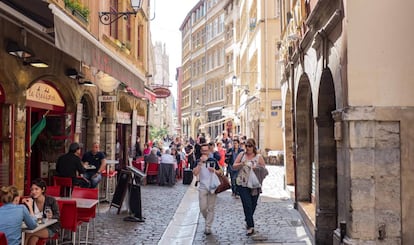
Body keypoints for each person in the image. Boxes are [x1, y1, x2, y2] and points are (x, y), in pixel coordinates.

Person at [232, 138, 267, 236]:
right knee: (247, 203)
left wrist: (256, 168)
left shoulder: (258, 157)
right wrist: (242, 164)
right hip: (242, 183)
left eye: (250, 146)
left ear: (253, 147)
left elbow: (264, 169)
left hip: (255, 184)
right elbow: (234, 166)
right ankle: (250, 226)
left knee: (253, 204)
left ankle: (248, 218)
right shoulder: (241, 155)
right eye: (246, 145)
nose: (248, 148)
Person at [192, 143, 222, 235]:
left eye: (206, 151)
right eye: (203, 151)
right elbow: (194, 173)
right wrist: (200, 164)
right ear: (201, 151)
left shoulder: (213, 160)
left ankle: (208, 226)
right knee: (203, 208)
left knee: (211, 207)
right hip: (202, 187)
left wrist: (215, 171)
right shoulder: (198, 161)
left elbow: (220, 172)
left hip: (212, 186)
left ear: (209, 151)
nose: (204, 152)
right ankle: (207, 219)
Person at [24, 178, 60, 245]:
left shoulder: (51, 200)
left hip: (50, 228)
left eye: (36, 189)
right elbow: (25, 217)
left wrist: (52, 216)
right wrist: (28, 205)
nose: (34, 191)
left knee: (29, 233)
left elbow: (57, 216)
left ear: (43, 189)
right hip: (35, 227)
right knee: (32, 240)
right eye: (32, 189)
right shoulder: (30, 201)